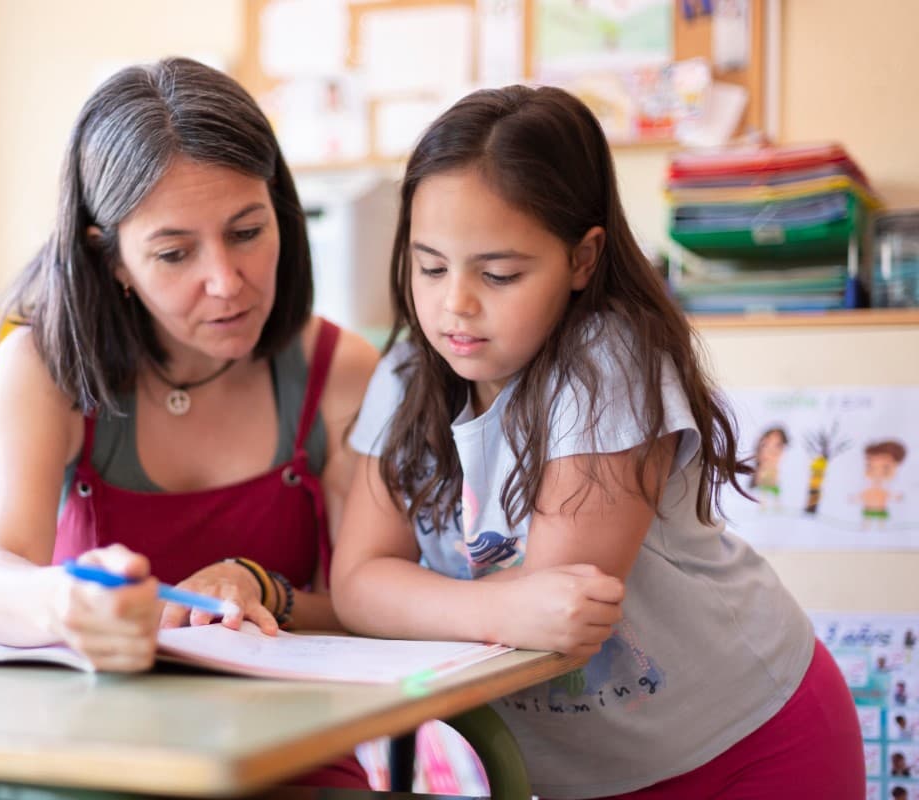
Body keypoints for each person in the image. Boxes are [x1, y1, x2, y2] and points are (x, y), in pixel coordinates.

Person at [330, 84, 865, 799]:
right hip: (586, 779)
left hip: (749, 744)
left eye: (498, 274)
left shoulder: (608, 360)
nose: (453, 303)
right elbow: (359, 582)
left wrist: (422, 600)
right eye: (430, 266)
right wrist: (491, 605)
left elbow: (558, 618)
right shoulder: (403, 374)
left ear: (582, 260)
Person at [0, 57, 377, 787]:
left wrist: (263, 587)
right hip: (94, 754)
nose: (225, 281)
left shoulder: (341, 373)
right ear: (113, 258)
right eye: (173, 253)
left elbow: (366, 605)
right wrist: (67, 604)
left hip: (295, 756)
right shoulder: (43, 369)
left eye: (248, 231)